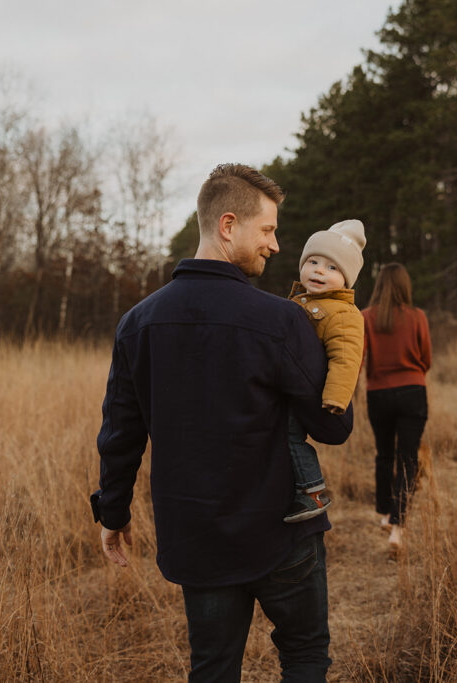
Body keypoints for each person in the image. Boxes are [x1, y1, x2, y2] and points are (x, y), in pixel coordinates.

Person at [91, 163, 353, 682]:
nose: (276, 246)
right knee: (304, 656)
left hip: (197, 535)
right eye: (269, 229)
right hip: (284, 533)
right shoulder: (282, 321)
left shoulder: (138, 323)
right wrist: (343, 352)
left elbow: (121, 432)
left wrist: (113, 512)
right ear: (228, 225)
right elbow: (331, 428)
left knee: (212, 670)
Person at [283, 219, 366, 523]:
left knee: (291, 436)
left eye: (332, 268)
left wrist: (335, 398)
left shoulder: (344, 314)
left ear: (346, 280)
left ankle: (311, 490)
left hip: (314, 392)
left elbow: (346, 358)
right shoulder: (298, 302)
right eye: (313, 262)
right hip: (290, 387)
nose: (319, 271)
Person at [361, 263, 431, 555]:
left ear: (379, 285)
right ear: (405, 286)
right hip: (413, 391)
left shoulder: (365, 317)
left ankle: (386, 513)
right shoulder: (417, 317)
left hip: (378, 394)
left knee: (384, 455)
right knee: (408, 459)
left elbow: (360, 358)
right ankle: (398, 529)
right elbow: (426, 359)